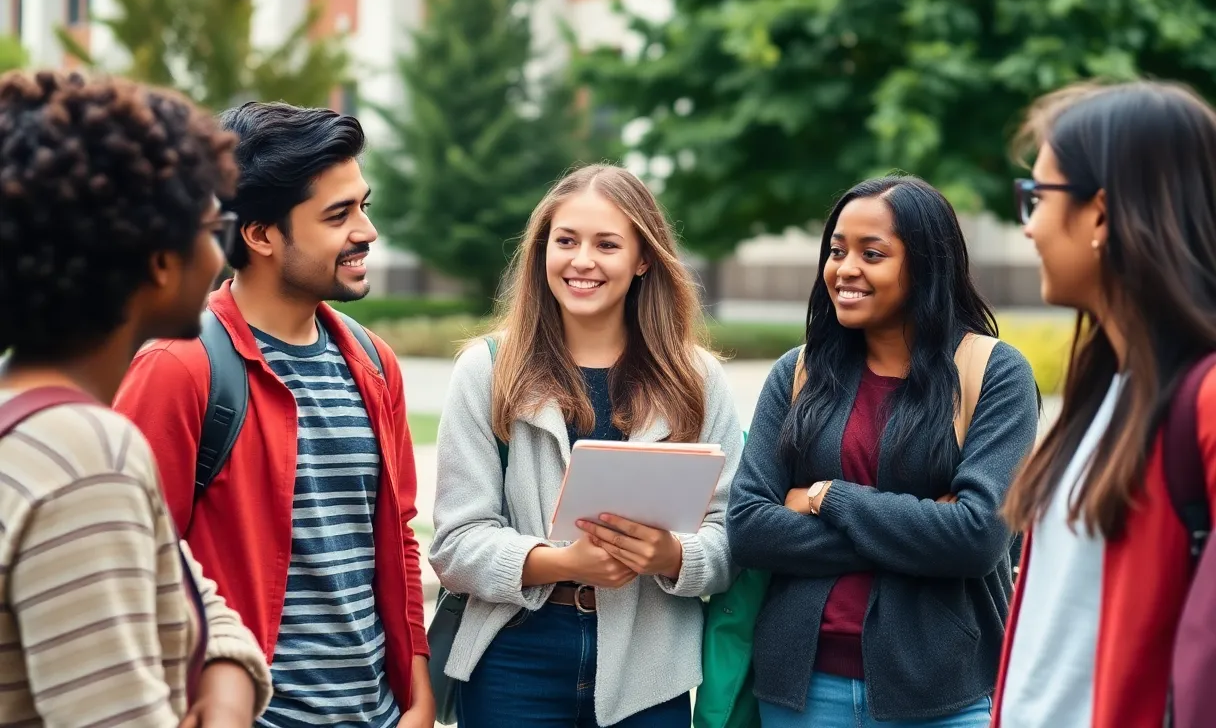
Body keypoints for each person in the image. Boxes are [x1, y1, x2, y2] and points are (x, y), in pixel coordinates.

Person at [113, 102, 434, 727]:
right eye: (338, 215)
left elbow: (396, 542)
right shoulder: (178, 368)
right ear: (259, 234)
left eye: (363, 205)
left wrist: (418, 701)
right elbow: (130, 565)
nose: (366, 231)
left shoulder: (374, 363)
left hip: (378, 714)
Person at [0, 70, 272, 725]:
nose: (220, 254)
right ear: (158, 260)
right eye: (214, 227)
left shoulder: (31, 427)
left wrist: (227, 671)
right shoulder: (87, 456)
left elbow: (188, 591)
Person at [428, 164, 744, 727]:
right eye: (566, 240)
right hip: (514, 658)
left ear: (643, 259)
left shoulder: (696, 381)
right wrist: (561, 562)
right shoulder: (489, 370)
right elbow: (456, 543)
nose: (581, 261)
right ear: (541, 249)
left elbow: (731, 540)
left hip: (648, 671)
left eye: (607, 244)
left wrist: (671, 556)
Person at [726, 175, 1039, 727]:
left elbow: (976, 539)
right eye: (837, 250)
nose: (845, 269)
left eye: (872, 254)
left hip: (944, 694)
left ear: (926, 266)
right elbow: (750, 527)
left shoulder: (994, 373)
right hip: (801, 691)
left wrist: (829, 497)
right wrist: (919, 529)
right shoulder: (797, 373)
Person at [993, 81, 1216, 728]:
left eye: (1038, 197)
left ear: (1102, 213)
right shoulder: (1101, 392)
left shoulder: (1200, 402)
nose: (1028, 224)